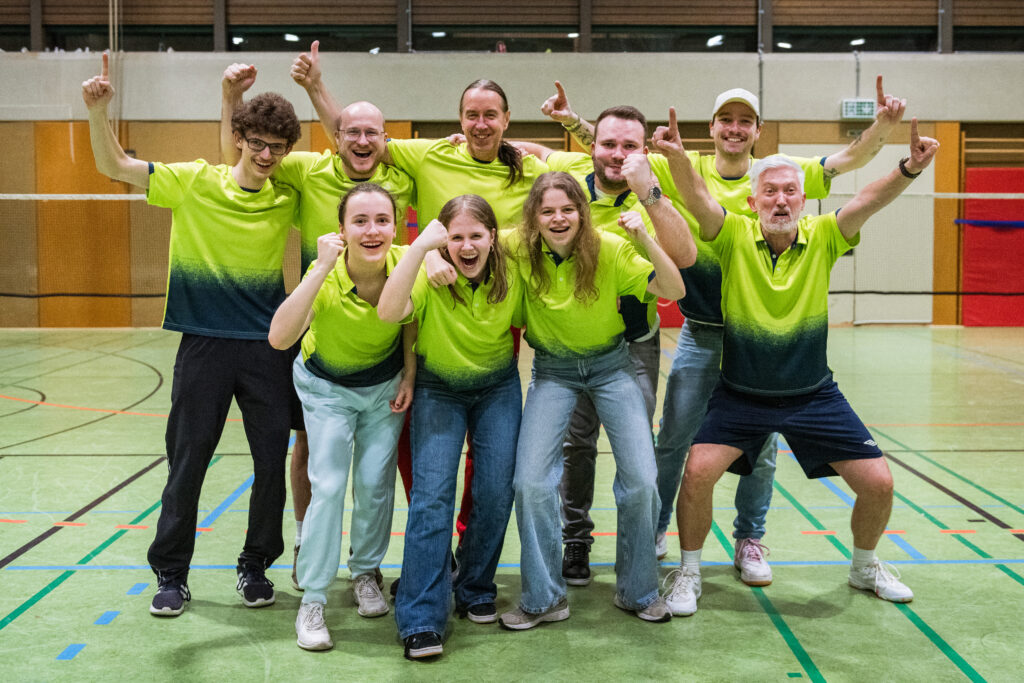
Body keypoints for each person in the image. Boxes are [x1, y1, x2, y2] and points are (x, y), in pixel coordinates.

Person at [544, 78, 906, 587]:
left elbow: (848, 162)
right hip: (702, 329)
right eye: (726, 120)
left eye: (745, 121)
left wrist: (884, 127)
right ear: (711, 128)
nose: (735, 129)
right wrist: (569, 121)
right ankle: (657, 531)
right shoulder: (682, 165)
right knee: (675, 442)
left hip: (755, 337)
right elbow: (619, 153)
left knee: (761, 449)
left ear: (757, 131)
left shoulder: (781, 174)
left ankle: (749, 537)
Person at [652, 109, 938, 615]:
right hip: (740, 394)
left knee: (879, 483)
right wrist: (676, 157)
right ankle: (689, 571)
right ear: (752, 200)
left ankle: (864, 565)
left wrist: (908, 168)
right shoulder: (735, 234)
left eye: (789, 192)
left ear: (804, 202)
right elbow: (696, 197)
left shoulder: (826, 236)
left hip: (812, 395)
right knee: (696, 473)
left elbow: (868, 198)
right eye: (770, 192)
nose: (780, 199)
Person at [82, 53, 301, 616]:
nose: (266, 154)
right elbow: (115, 165)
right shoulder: (193, 182)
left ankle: (255, 566)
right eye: (257, 141)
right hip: (203, 343)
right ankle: (171, 574)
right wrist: (95, 112)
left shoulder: (287, 195)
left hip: (268, 347)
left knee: (270, 463)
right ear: (240, 138)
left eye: (277, 146)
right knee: (188, 463)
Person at [220, 53, 415, 591]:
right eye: (349, 131)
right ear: (335, 136)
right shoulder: (306, 167)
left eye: (371, 133)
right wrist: (232, 101)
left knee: (376, 477)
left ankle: (367, 566)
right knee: (309, 453)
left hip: (379, 343)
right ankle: (309, 538)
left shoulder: (403, 177)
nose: (359, 139)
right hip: (319, 323)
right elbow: (240, 160)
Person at [507, 106, 695, 585]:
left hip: (631, 344)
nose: (618, 154)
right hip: (566, 350)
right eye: (608, 144)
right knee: (575, 445)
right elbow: (533, 151)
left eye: (629, 146)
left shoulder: (655, 189)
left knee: (637, 460)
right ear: (590, 147)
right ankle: (576, 539)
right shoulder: (567, 186)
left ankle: (640, 554)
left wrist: (648, 195)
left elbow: (684, 259)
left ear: (643, 152)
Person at [268, 183, 415, 651]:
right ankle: (313, 597)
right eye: (360, 221)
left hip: (384, 387)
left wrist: (409, 374)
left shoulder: (406, 262)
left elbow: (412, 321)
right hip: (326, 388)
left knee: (375, 483)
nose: (372, 231)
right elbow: (279, 337)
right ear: (341, 230)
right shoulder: (325, 273)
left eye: (382, 221)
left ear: (395, 225)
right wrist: (320, 268)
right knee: (328, 486)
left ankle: (366, 572)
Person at [378, 195, 524, 661]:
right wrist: (422, 251)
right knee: (432, 497)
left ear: (492, 238)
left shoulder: (513, 271)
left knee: (497, 490)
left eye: (475, 236)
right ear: (444, 241)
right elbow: (388, 311)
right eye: (455, 237)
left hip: (497, 387)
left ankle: (475, 584)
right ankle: (421, 616)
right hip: (439, 389)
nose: (466, 246)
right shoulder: (426, 271)